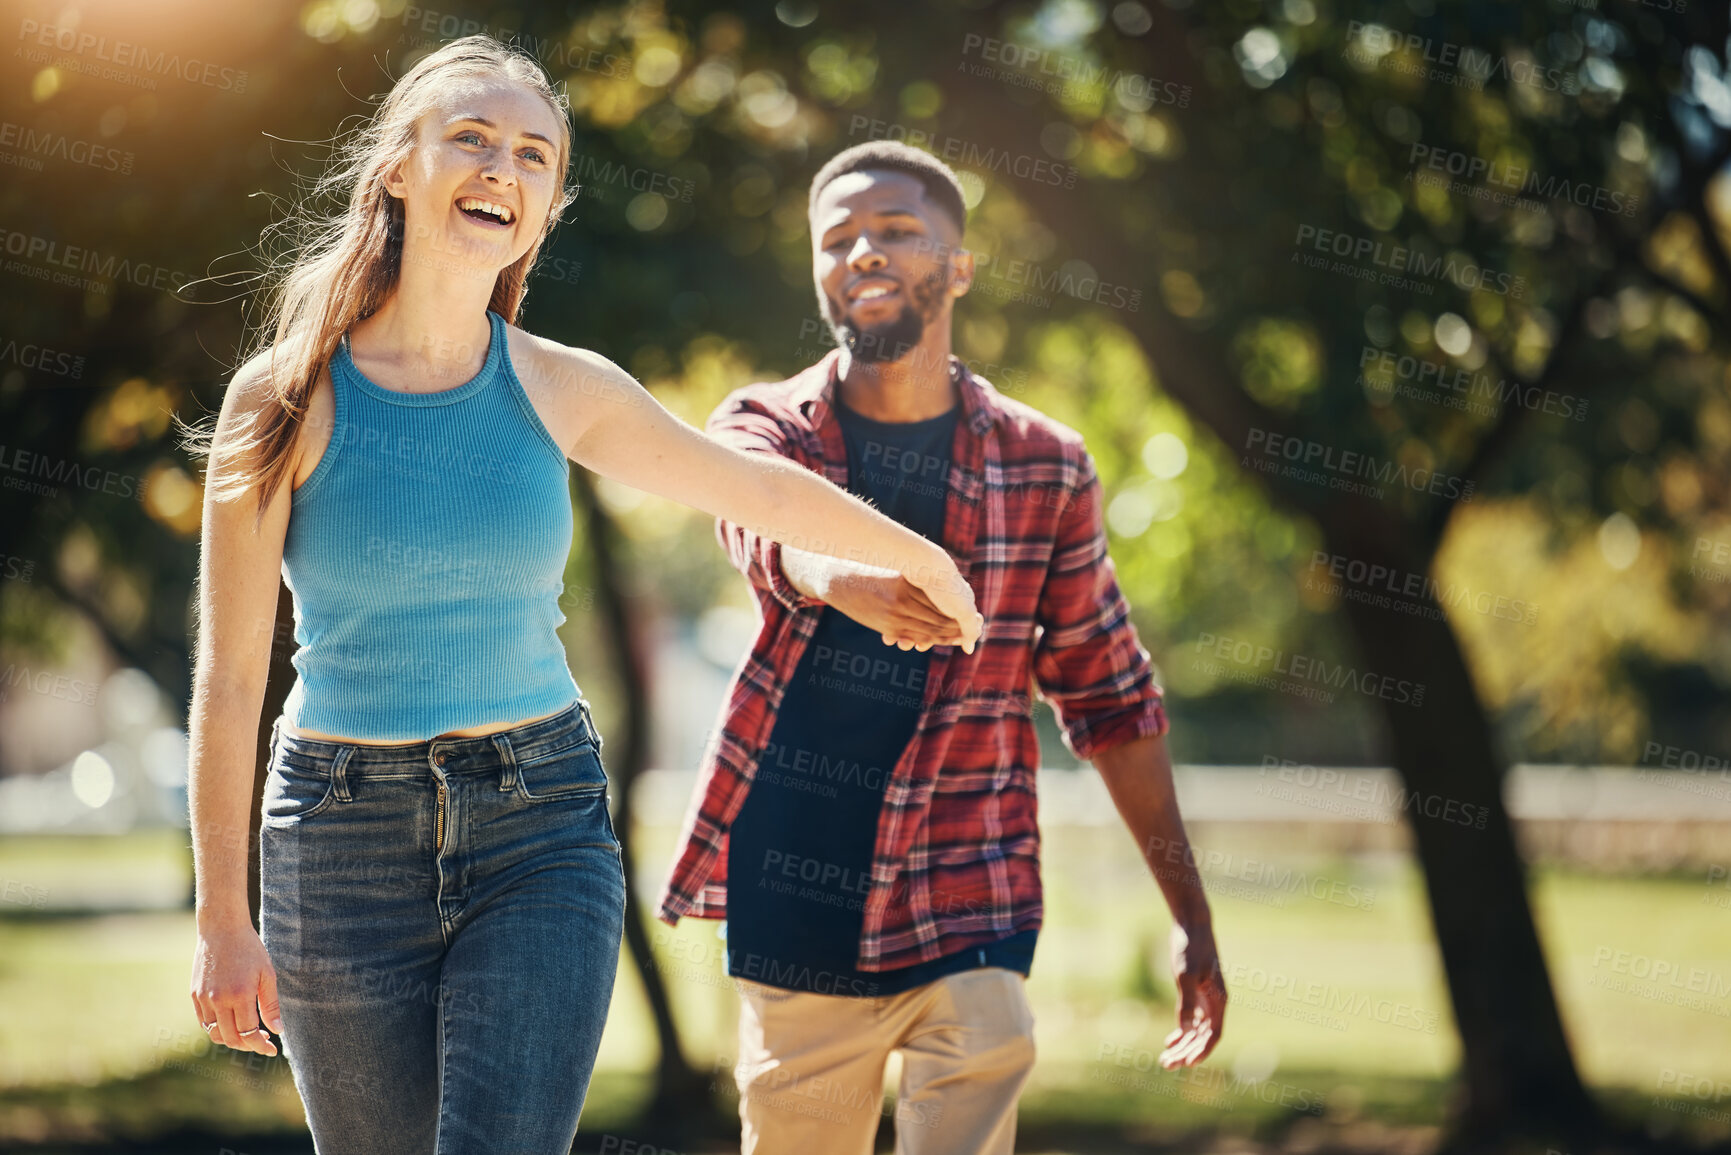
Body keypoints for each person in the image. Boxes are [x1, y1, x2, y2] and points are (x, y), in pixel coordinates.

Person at [180, 39, 980, 1155]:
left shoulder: (560, 386)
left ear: (547, 207)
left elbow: (747, 481)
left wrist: (923, 557)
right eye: (471, 137)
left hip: (538, 825)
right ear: (399, 169)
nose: (501, 166)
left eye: (533, 154)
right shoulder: (284, 395)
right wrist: (225, 916)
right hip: (336, 835)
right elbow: (230, 680)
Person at [657, 140, 1227, 1155]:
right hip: (798, 904)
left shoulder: (1045, 464)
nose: (863, 252)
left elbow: (1108, 695)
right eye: (837, 239)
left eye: (896, 230)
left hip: (973, 893)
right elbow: (752, 520)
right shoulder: (767, 427)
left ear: (959, 266)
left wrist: (1190, 912)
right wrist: (835, 577)